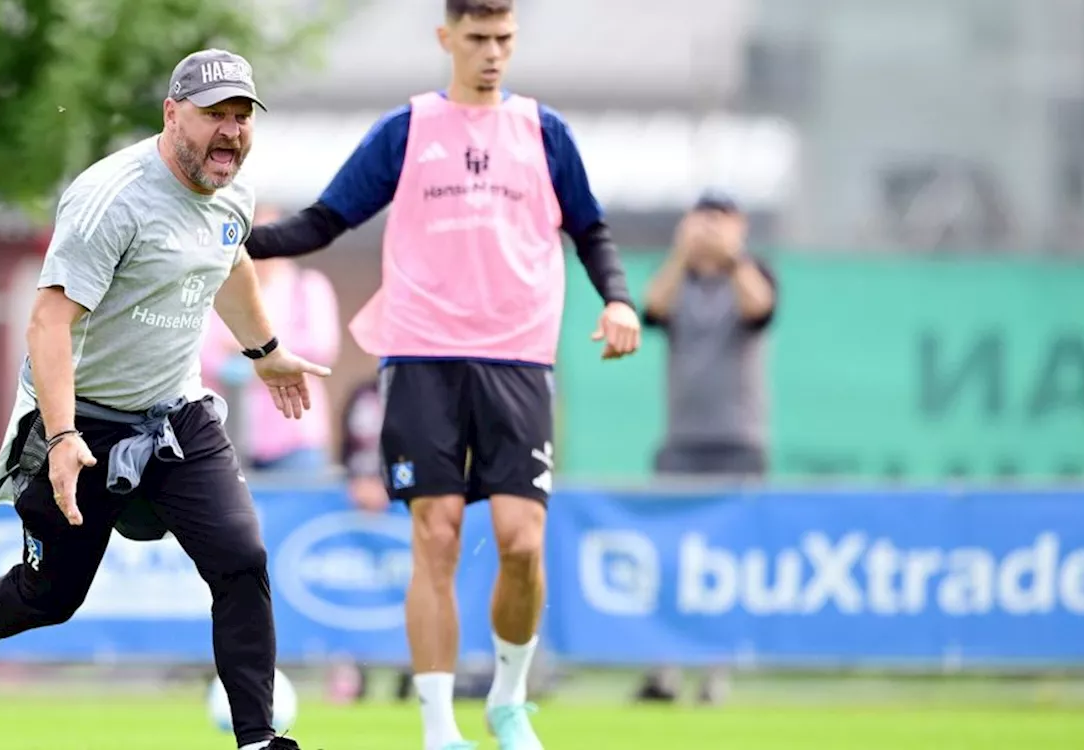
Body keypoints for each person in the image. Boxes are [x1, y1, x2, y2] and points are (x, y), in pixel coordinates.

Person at [244, 2, 641, 747]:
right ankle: (436, 726)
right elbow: (325, 222)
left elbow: (591, 229)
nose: (493, 53)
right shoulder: (406, 130)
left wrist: (618, 299)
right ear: (447, 38)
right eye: (479, 38)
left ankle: (509, 699)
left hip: (519, 359)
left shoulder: (545, 133)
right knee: (438, 533)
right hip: (421, 355)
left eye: (505, 40)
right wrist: (239, 238)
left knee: (523, 540)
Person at [0, 49, 330, 750]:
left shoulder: (232, 190)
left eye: (242, 117)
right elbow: (48, 323)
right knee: (54, 595)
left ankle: (258, 740)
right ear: (172, 114)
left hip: (177, 415)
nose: (231, 132)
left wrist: (266, 354)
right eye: (216, 115)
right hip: (80, 423)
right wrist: (59, 437)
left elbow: (228, 261)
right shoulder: (110, 199)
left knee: (241, 558)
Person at [636, 188, 778, 703]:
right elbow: (652, 308)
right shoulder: (679, 280)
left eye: (719, 221)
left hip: (739, 443)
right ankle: (664, 670)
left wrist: (731, 253)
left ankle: (716, 673)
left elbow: (760, 307)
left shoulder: (754, 272)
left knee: (726, 566)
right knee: (671, 561)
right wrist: (681, 252)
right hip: (681, 442)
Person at [201, 204, 341, 474]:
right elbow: (203, 352)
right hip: (229, 435)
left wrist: (256, 347)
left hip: (294, 440)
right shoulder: (221, 288)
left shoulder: (307, 287)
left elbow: (322, 347)